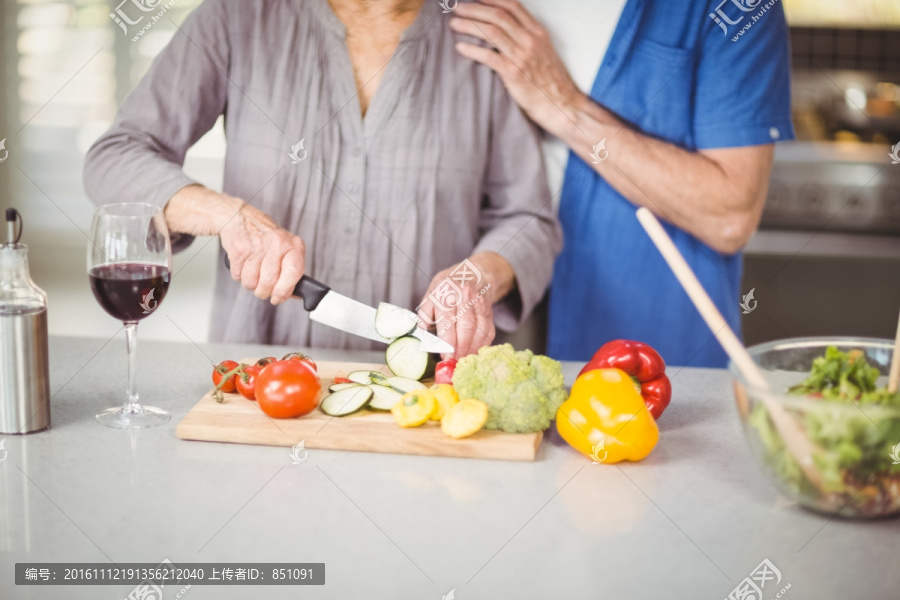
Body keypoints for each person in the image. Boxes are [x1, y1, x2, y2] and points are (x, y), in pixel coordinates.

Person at [84, 0, 561, 358]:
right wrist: (226, 214)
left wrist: (480, 275)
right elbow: (117, 155)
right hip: (262, 379)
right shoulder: (239, 15)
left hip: (429, 392)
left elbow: (530, 220)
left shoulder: (487, 37)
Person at [449, 0, 793, 367]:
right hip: (486, 349)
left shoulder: (735, 9)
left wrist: (566, 107)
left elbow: (730, 216)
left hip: (655, 366)